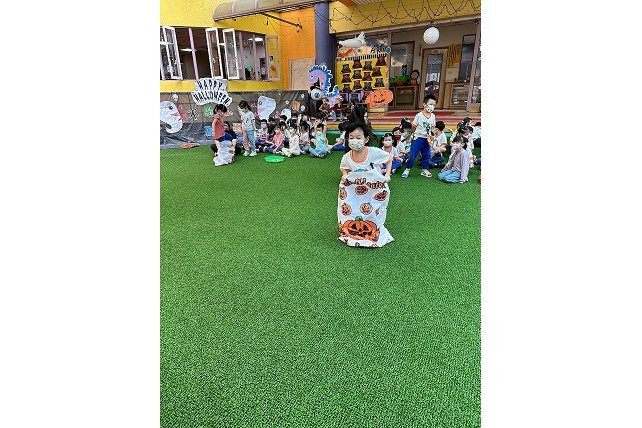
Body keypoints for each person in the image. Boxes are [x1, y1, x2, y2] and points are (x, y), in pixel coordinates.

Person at [401, 94, 437, 178]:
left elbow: (432, 127)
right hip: (418, 138)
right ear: (424, 104)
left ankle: (424, 170)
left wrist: (432, 136)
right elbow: (414, 126)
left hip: (427, 139)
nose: (432, 106)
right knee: (413, 154)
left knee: (427, 154)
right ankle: (407, 169)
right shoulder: (419, 115)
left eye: (433, 105)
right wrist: (413, 134)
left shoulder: (433, 116)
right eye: (430, 104)